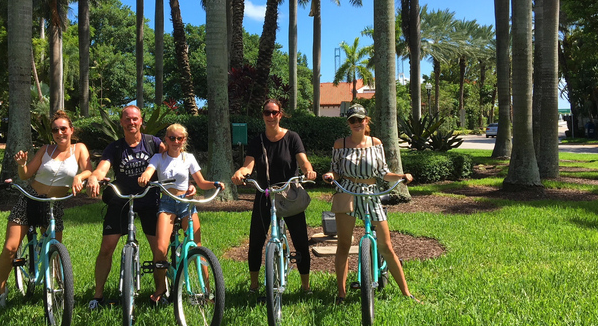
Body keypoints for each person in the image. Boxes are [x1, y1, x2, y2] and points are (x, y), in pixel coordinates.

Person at [0, 110, 93, 308]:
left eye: (63, 128)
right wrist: (22, 164)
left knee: (56, 251)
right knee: (10, 248)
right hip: (30, 199)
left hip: (54, 203)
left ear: (71, 130)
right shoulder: (45, 150)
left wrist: (79, 177)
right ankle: (0, 292)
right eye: (55, 130)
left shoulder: (79, 149)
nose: (59, 133)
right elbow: (25, 175)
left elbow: (89, 169)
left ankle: (58, 291)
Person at [321, 103, 417, 304]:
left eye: (360, 119)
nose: (356, 123)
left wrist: (401, 176)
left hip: (371, 194)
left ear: (366, 121)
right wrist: (331, 175)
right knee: (344, 245)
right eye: (352, 120)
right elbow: (336, 170)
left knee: (386, 246)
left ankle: (407, 293)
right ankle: (341, 293)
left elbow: (383, 172)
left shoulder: (375, 142)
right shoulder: (341, 144)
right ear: (348, 123)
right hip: (346, 192)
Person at [231, 98, 318, 296]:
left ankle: (306, 287)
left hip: (289, 195)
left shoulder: (292, 138)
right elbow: (249, 165)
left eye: (274, 112)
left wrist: (309, 171)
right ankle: (254, 286)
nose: (271, 116)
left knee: (300, 242)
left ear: (280, 114)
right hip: (265, 194)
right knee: (255, 242)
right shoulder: (257, 141)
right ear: (262, 115)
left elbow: (303, 161)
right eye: (267, 112)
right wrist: (241, 172)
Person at [85, 105, 165, 310]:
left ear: (141, 122)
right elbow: (102, 168)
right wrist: (94, 178)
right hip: (122, 199)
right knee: (106, 248)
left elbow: (172, 158)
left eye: (135, 119)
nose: (131, 122)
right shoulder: (115, 147)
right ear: (121, 122)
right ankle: (98, 295)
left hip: (149, 199)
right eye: (127, 119)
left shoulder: (153, 143)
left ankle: (160, 292)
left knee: (159, 249)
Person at [137, 123, 225, 304]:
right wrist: (145, 176)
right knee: (160, 250)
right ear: (166, 140)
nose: (176, 141)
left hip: (186, 204)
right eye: (172, 138)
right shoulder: (158, 158)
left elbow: (201, 183)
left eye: (180, 138)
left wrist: (215, 183)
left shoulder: (188, 158)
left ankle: (207, 291)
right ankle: (161, 287)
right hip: (167, 204)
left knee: (197, 248)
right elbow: (149, 171)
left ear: (184, 140)